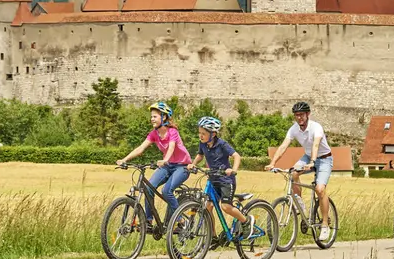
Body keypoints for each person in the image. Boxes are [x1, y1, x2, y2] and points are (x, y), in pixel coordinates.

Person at [116, 101, 191, 234]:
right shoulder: (154, 134)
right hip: (167, 166)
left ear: (164, 117)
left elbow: (171, 147)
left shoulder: (172, 132)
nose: (152, 119)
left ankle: (181, 220)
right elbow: (141, 148)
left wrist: (165, 160)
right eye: (151, 116)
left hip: (182, 166)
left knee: (167, 191)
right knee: (149, 188)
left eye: (155, 116)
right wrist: (124, 159)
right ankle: (148, 222)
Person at [266, 101, 333, 242]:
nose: (299, 118)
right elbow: (284, 146)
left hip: (324, 159)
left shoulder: (316, 127)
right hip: (308, 157)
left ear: (308, 114)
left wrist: (313, 162)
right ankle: (300, 205)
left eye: (301, 115)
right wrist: (272, 163)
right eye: (296, 115)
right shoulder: (294, 129)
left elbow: (316, 145)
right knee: (293, 173)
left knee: (320, 189)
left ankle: (325, 224)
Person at [191, 116, 255, 247]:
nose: (200, 136)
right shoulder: (203, 144)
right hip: (213, 179)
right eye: (199, 133)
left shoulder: (222, 144)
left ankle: (246, 221)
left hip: (226, 180)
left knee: (225, 206)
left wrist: (233, 169)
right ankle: (213, 237)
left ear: (213, 134)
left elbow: (236, 156)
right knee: (207, 208)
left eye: (203, 133)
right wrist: (193, 164)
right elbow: (200, 155)